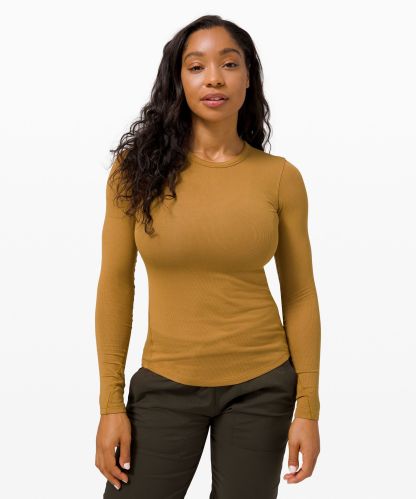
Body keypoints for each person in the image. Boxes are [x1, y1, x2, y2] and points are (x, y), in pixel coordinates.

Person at [94, 14, 321, 499]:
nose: (214, 78)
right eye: (196, 66)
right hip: (165, 382)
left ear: (248, 77)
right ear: (178, 80)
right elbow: (115, 283)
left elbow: (300, 294)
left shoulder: (280, 178)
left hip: (262, 385)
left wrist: (308, 408)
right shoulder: (134, 173)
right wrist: (111, 404)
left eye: (229, 64)